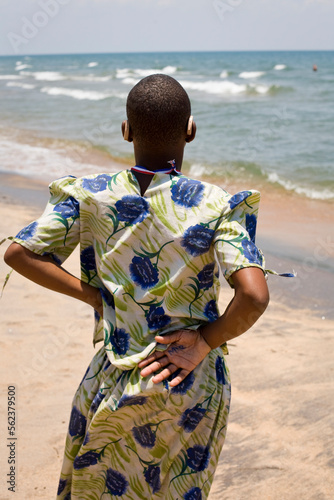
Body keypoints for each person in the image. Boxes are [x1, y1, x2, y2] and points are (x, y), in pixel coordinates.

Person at [4, 74, 271, 500]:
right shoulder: (217, 204)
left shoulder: (90, 194)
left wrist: (92, 294)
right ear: (191, 131)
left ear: (126, 131)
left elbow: (20, 253)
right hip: (192, 381)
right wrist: (204, 341)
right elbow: (254, 296)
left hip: (117, 371)